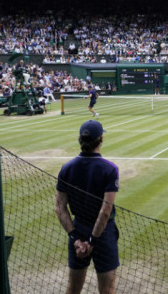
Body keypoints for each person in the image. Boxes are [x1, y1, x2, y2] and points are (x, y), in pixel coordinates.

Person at [55, 120, 119, 294]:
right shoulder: (109, 170)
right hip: (103, 234)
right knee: (107, 290)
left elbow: (60, 208)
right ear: (101, 139)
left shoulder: (66, 168)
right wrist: (92, 240)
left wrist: (76, 238)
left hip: (77, 229)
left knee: (73, 289)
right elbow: (105, 212)